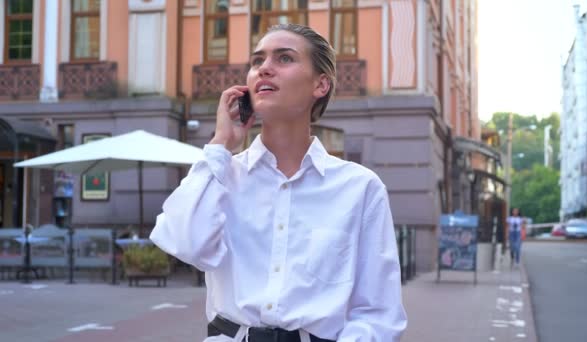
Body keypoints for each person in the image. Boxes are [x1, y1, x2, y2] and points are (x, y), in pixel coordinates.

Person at [150, 24, 407, 341]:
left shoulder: (360, 188)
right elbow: (186, 244)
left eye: (284, 58)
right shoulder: (222, 176)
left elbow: (378, 313)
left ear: (320, 84)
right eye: (257, 61)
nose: (265, 69)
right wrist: (220, 144)